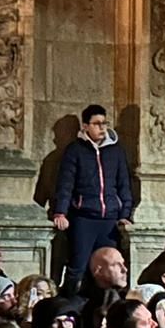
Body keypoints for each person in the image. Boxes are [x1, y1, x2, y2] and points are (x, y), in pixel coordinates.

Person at [50, 104, 135, 287]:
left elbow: (124, 184)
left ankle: (107, 309)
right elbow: (66, 184)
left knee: (110, 268)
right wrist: (60, 212)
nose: (102, 128)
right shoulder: (75, 150)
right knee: (77, 267)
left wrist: (125, 215)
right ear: (85, 126)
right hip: (84, 219)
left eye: (104, 123)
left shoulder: (116, 151)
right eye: (97, 124)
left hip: (110, 220)